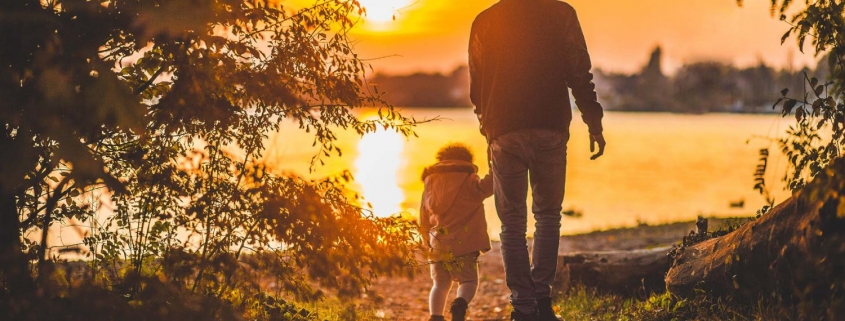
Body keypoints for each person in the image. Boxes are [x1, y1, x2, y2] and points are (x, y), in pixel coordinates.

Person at [469, 1, 607, 320]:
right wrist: (593, 121)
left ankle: (522, 307)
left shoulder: (485, 21)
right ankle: (541, 303)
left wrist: (487, 125)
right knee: (547, 216)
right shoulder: (561, 14)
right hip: (549, 127)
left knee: (512, 223)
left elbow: (476, 83)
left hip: (504, 130)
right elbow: (579, 71)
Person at [419, 143, 494, 321]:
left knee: (439, 284)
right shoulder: (470, 180)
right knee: (468, 281)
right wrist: (495, 160)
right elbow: (491, 185)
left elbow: (423, 217)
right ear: (467, 161)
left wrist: (425, 242)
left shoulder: (430, 184)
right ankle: (459, 305)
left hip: (437, 245)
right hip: (465, 245)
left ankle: (436, 317)